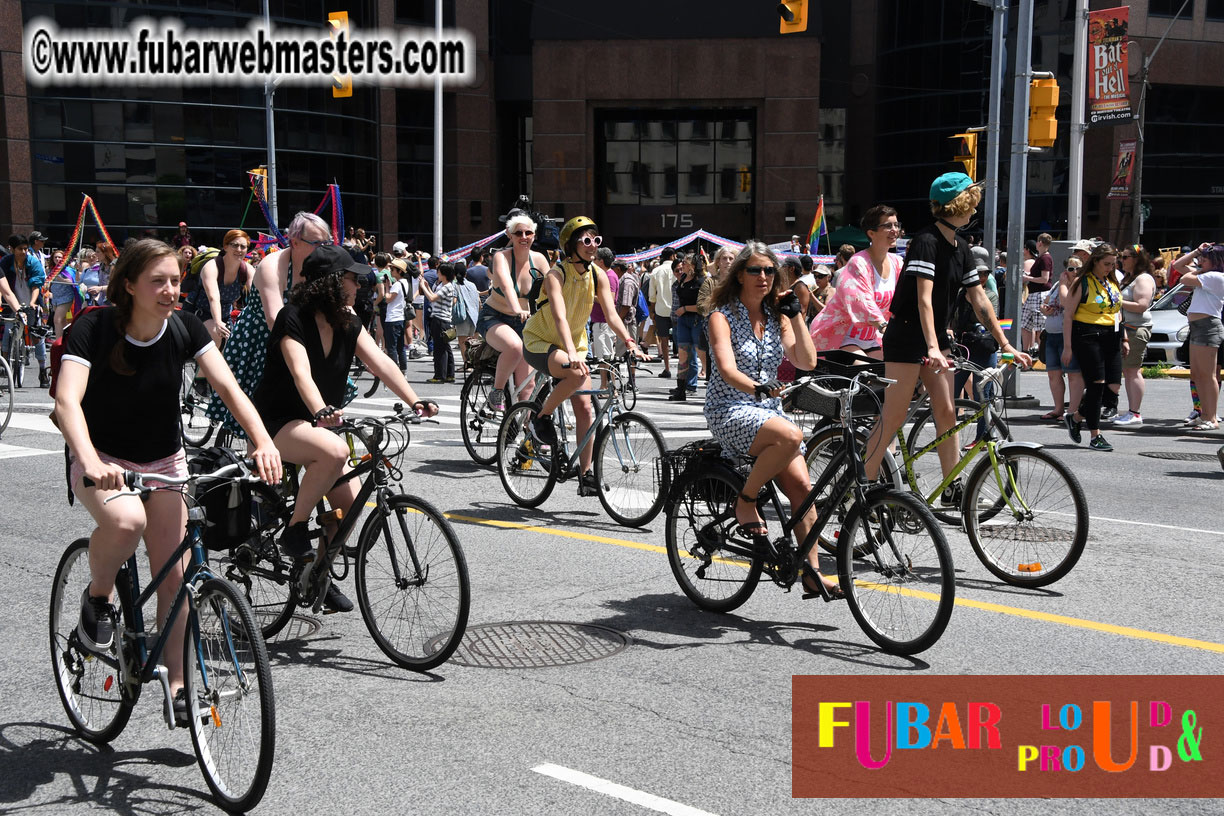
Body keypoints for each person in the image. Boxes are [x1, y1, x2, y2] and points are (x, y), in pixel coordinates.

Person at [54, 238, 281, 721]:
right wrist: (91, 461)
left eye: (176, 280)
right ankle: (98, 599)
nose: (170, 290)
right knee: (124, 521)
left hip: (164, 461)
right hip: (104, 457)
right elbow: (66, 402)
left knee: (175, 575)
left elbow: (226, 386)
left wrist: (262, 440)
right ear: (129, 285)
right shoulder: (94, 328)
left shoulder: (182, 327)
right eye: (158, 281)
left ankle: (178, 687)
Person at [254, 245, 436, 612]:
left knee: (350, 511)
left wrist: (415, 399)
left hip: (319, 423)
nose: (360, 283)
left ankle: (316, 575)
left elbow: (381, 363)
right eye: (352, 278)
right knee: (335, 451)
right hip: (278, 421)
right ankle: (294, 531)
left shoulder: (348, 320)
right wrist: (320, 409)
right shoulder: (293, 317)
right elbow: (300, 372)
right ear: (331, 282)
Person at [862, 173, 1030, 499]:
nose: (975, 209)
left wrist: (1006, 343)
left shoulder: (962, 247)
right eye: (972, 201)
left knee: (948, 412)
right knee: (894, 416)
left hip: (933, 340)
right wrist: (933, 347)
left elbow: (979, 299)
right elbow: (923, 299)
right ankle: (862, 488)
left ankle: (952, 485)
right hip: (908, 337)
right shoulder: (926, 242)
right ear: (959, 203)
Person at [702, 241, 837, 598]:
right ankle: (746, 500)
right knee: (792, 436)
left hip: (767, 411)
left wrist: (795, 316)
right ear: (740, 275)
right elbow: (727, 369)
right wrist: (759, 387)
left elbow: (806, 361)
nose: (763, 277)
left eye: (769, 271)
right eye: (755, 270)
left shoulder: (777, 316)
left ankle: (812, 572)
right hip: (729, 407)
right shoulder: (721, 316)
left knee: (803, 492)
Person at [521, 216, 644, 496]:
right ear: (571, 245)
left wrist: (629, 341)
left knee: (586, 409)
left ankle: (586, 476)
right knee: (577, 374)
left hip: (574, 346)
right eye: (586, 241)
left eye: (596, 241)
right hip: (540, 342)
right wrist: (571, 352)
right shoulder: (556, 274)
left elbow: (612, 314)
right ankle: (542, 417)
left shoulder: (597, 274)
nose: (592, 246)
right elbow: (560, 317)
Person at [204, 212, 331, 438]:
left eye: (327, 242)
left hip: (295, 333)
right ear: (294, 242)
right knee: (258, 405)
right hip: (261, 335)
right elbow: (275, 319)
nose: (323, 248)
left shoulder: (319, 265)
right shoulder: (272, 265)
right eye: (317, 243)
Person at [808, 204, 902, 360]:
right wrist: (882, 325)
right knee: (867, 374)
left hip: (873, 338)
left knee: (897, 371)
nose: (895, 230)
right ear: (871, 233)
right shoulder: (858, 262)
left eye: (896, 225)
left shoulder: (898, 263)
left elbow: (907, 298)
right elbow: (860, 299)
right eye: (888, 225)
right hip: (842, 336)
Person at [478, 213, 548, 411]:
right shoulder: (501, 257)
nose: (524, 237)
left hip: (526, 323)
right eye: (518, 233)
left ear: (534, 235)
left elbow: (551, 293)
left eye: (528, 232)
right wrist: (517, 308)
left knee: (529, 385)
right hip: (495, 318)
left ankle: (527, 432)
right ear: (510, 234)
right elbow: (508, 286)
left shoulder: (540, 260)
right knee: (515, 346)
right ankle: (497, 391)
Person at [1062, 243, 1126, 450]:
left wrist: (1124, 338)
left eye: (1113, 264)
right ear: (1095, 261)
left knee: (1113, 386)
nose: (1110, 268)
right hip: (1088, 336)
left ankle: (1077, 416)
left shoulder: (1112, 281)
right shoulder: (1083, 282)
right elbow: (1068, 315)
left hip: (1112, 335)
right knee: (1096, 384)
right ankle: (1095, 435)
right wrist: (1068, 347)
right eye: (1106, 264)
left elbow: (1117, 311)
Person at [1171, 243, 1224, 430]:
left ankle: (1212, 418)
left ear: (1216, 261)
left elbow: (1184, 278)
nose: (1200, 261)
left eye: (1205, 258)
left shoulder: (1215, 276)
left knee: (1208, 375)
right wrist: (1196, 251)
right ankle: (1204, 415)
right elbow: (1177, 266)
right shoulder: (1203, 275)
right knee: (1197, 374)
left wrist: (1196, 268)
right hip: (1197, 326)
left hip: (1208, 326)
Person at [1111, 246, 1156, 425]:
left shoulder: (1143, 278)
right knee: (1128, 370)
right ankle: (1131, 410)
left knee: (1132, 370)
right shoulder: (1130, 278)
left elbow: (1142, 305)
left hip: (1136, 328)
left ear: (1137, 259)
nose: (1122, 260)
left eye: (1125, 257)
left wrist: (1117, 300)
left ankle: (1135, 412)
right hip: (1126, 327)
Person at [1038, 256, 1085, 422]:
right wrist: (1045, 309)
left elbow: (1067, 303)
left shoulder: (1078, 285)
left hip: (1069, 335)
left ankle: (1072, 410)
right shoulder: (1059, 284)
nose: (1073, 272)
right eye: (1070, 268)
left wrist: (1065, 284)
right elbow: (1046, 302)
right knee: (1053, 374)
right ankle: (1058, 408)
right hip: (1052, 334)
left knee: (1073, 374)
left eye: (1077, 268)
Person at [189, 229, 254, 348]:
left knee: (232, 348)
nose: (239, 250)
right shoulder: (212, 267)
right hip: (201, 313)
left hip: (226, 316)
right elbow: (214, 298)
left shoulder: (247, 270)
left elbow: (256, 296)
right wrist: (218, 322)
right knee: (215, 336)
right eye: (234, 245)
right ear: (225, 247)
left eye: (243, 246)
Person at [1, 233, 49, 385]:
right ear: (12, 249)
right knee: (8, 333)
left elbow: (36, 285)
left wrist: (33, 303)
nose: (23, 252)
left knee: (36, 334)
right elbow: (4, 289)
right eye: (20, 249)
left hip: (30, 300)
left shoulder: (33, 262)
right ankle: (5, 367)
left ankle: (42, 371)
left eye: (26, 249)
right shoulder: (5, 262)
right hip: (11, 302)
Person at [669, 252, 705, 400]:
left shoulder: (701, 281)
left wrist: (685, 309)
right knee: (683, 355)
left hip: (696, 319)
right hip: (683, 320)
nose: (681, 265)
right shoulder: (682, 278)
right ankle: (681, 389)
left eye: (685, 262)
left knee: (702, 354)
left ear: (693, 265)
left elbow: (704, 306)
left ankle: (711, 383)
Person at [419, 262, 458, 383]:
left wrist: (423, 286)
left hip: (440, 320)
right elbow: (434, 296)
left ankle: (439, 376)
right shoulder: (445, 285)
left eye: (439, 271)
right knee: (445, 347)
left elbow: (431, 298)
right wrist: (427, 287)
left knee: (439, 349)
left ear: (444, 274)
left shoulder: (447, 287)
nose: (437, 273)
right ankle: (449, 374)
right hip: (443, 320)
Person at [650, 248, 676, 377]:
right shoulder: (679, 269)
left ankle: (667, 368)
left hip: (661, 309)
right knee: (682, 341)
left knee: (664, 340)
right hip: (677, 309)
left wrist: (652, 311)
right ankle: (685, 370)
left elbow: (652, 294)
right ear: (673, 256)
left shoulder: (656, 271)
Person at [381, 258, 411, 369]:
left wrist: (386, 287)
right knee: (400, 347)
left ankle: (394, 370)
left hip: (393, 318)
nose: (391, 270)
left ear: (399, 271)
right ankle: (403, 370)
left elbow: (388, 299)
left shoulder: (397, 285)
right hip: (400, 317)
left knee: (392, 347)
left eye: (392, 269)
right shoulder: (405, 283)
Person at [452, 261, 481, 366]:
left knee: (463, 342)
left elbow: (454, 301)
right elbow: (479, 301)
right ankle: (473, 364)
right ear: (465, 273)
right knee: (473, 342)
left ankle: (467, 364)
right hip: (475, 316)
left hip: (463, 318)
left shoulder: (455, 285)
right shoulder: (472, 285)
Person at [46, 248, 78, 338]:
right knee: (62, 320)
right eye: (55, 257)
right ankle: (65, 340)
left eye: (60, 257)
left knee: (57, 319)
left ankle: (58, 342)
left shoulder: (68, 269)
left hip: (66, 297)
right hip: (55, 297)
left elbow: (73, 282)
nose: (57, 259)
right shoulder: (51, 270)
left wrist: (62, 279)